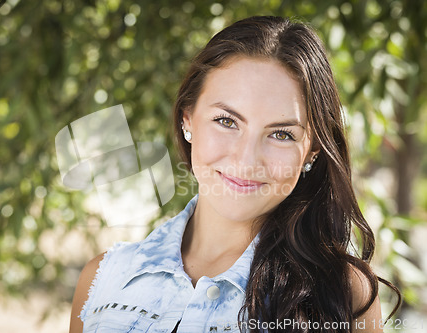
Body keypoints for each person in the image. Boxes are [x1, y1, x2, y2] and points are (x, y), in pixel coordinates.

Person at [69, 16, 400, 333]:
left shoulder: (343, 292)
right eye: (227, 121)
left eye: (281, 134)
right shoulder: (102, 279)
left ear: (312, 150)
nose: (246, 158)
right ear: (188, 119)